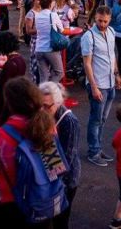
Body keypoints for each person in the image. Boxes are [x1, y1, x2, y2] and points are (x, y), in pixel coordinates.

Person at [0, 77, 64, 228]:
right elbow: (56, 168)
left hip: (11, 208)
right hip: (41, 206)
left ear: (9, 103)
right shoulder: (47, 127)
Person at [82, 5, 121, 167]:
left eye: (105, 21)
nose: (102, 24)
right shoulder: (88, 36)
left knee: (103, 119)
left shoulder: (112, 32)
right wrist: (93, 86)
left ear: (110, 19)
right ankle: (93, 151)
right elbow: (87, 64)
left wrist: (117, 74)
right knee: (96, 119)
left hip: (110, 83)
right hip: (98, 85)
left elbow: (112, 56)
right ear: (95, 18)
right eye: (99, 21)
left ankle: (97, 148)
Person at [39, 81, 81, 229]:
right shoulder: (44, 115)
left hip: (65, 181)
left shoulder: (69, 121)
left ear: (58, 102)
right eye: (40, 105)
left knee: (60, 221)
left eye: (47, 106)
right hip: (49, 176)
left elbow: (68, 158)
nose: (42, 110)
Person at [0, 31, 27, 124]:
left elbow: (0, 87)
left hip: (7, 107)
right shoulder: (20, 59)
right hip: (17, 102)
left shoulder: (10, 64)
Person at [34, 0, 64, 83]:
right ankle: (50, 90)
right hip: (50, 49)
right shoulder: (53, 15)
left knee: (44, 77)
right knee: (59, 73)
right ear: (51, 4)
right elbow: (61, 30)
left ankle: (42, 94)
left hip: (39, 48)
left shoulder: (37, 15)